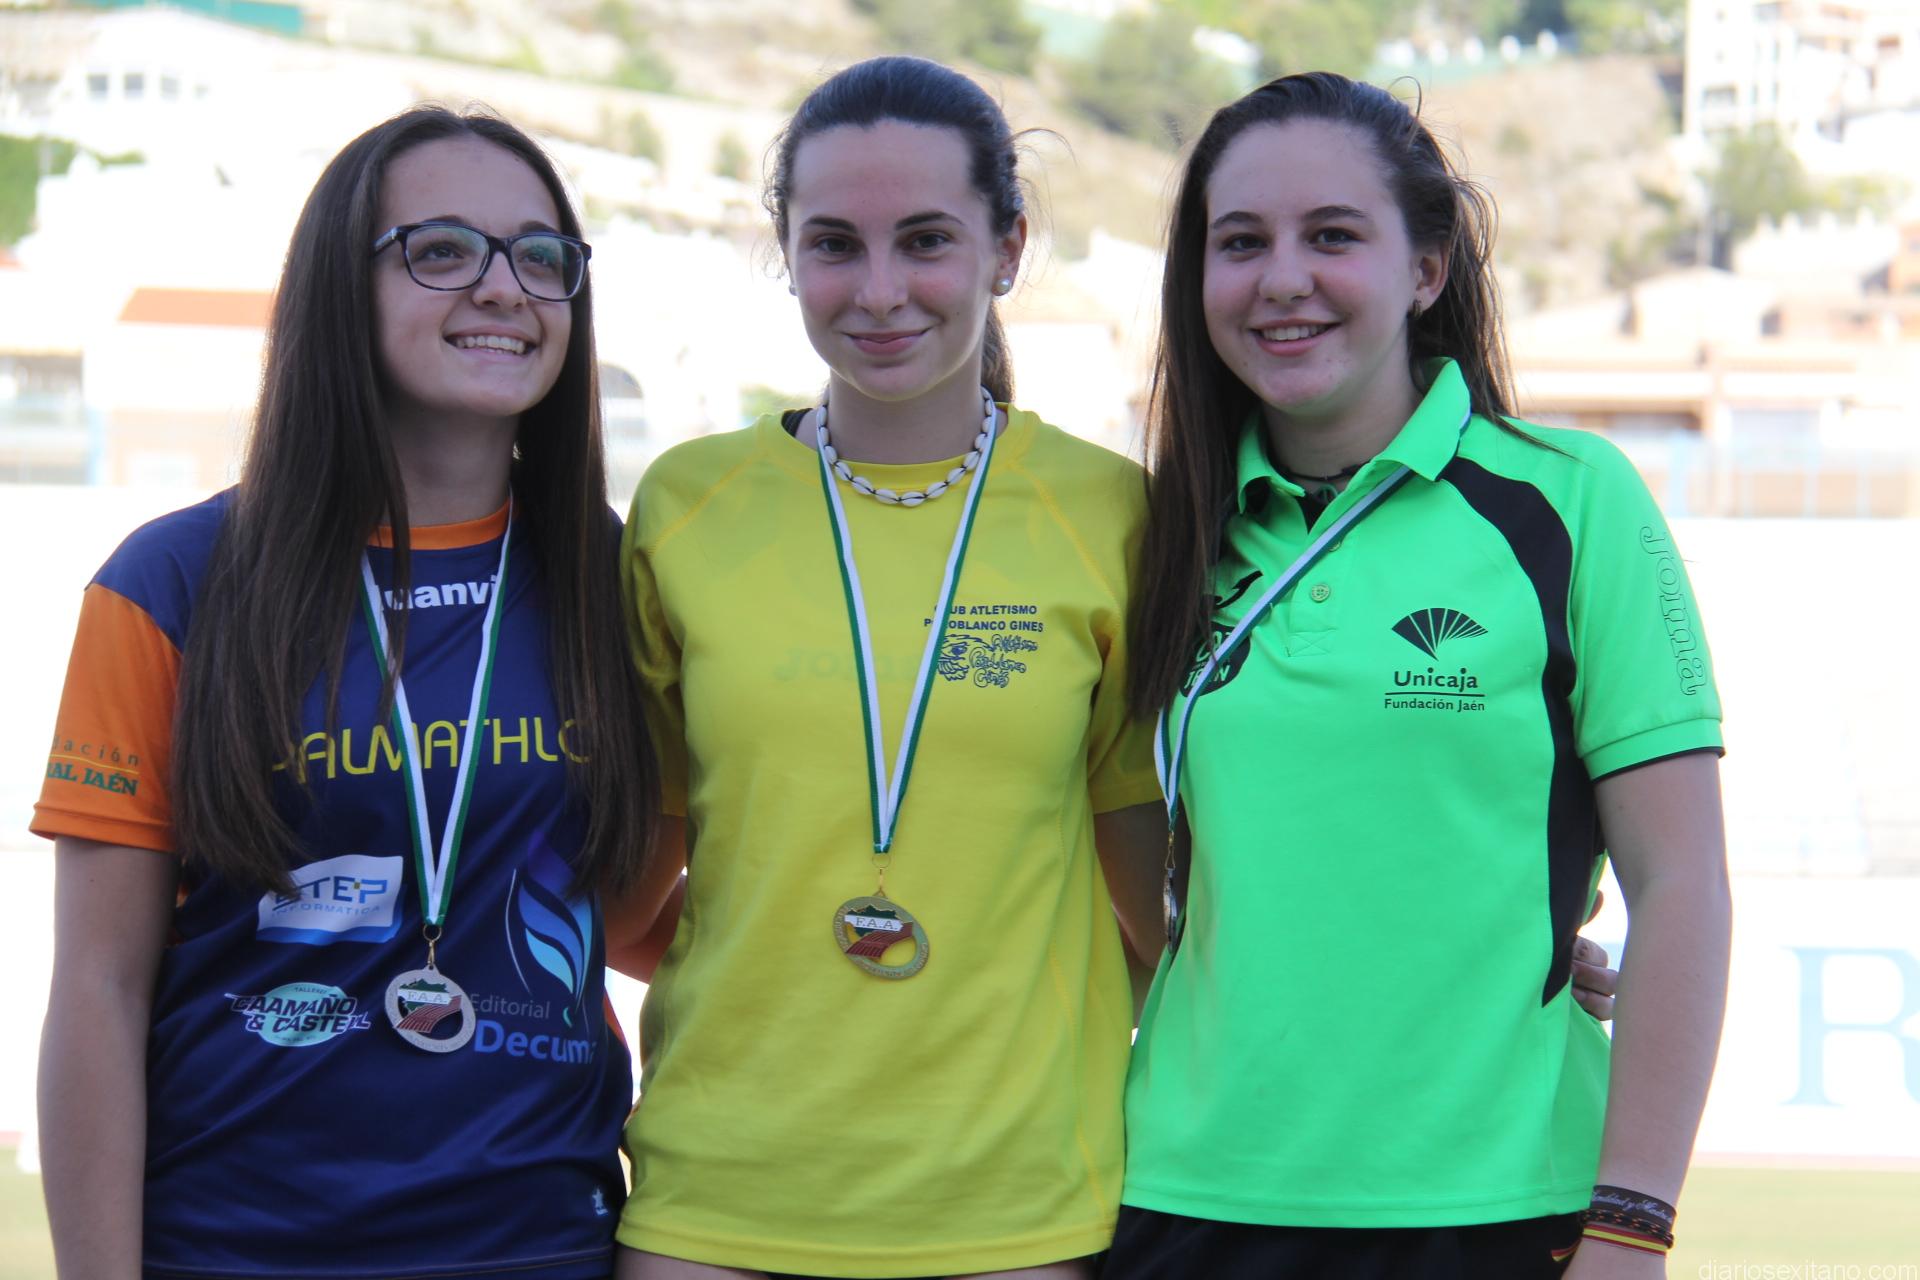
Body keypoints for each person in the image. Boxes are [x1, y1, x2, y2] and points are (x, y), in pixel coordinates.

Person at [1109, 72, 1731, 1279]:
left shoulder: (1571, 501)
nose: (1282, 278)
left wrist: (1634, 1220)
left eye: (1333, 235)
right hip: (1187, 1197)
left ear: (1428, 268)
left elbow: (1683, 881)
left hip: (1499, 1205)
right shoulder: (1159, 537)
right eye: (1241, 242)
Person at [33, 106, 659, 1279]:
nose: (503, 287)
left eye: (540, 256)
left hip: (539, 1245)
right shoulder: (170, 582)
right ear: (339, 284)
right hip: (236, 1246)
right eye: (442, 250)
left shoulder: (619, 579)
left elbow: (653, 911)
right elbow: (100, 986)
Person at [609, 55, 1161, 1280]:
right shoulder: (687, 505)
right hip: (719, 1189)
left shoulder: (1110, 513)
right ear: (785, 252)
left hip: (1015, 1201)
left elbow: (1157, 905)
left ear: (1007, 248)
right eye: (833, 245)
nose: (878, 290)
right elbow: (628, 896)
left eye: (925, 240)